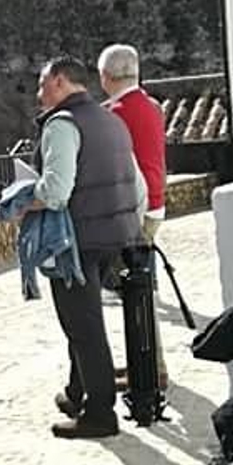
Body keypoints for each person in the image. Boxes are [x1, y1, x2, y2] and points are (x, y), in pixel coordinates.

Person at [31, 57, 147, 439]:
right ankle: (76, 393)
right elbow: (139, 187)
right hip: (116, 235)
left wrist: (21, 200)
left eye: (43, 83)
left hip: (76, 240)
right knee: (85, 321)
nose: (39, 92)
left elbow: (55, 191)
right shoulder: (112, 121)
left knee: (83, 328)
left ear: (61, 82)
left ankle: (99, 412)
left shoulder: (62, 125)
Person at [97, 43, 170, 390]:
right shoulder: (154, 107)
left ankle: (151, 369)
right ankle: (150, 364)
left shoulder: (111, 113)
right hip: (157, 203)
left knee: (135, 290)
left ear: (105, 76)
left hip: (131, 209)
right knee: (142, 287)